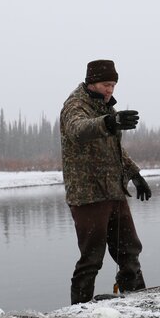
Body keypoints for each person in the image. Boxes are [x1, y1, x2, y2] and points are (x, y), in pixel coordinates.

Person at [60, 59, 152, 304]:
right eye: (105, 84)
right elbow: (78, 130)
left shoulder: (105, 107)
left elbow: (114, 150)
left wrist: (135, 174)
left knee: (129, 251)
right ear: (91, 82)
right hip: (87, 195)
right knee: (91, 259)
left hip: (114, 192)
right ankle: (78, 310)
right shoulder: (75, 105)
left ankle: (136, 300)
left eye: (113, 84)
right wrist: (108, 123)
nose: (110, 90)